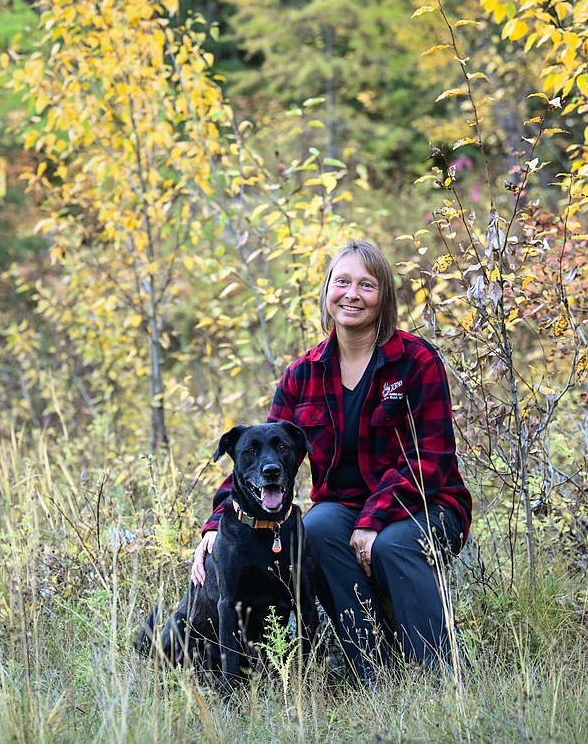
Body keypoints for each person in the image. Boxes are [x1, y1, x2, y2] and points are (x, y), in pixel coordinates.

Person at [191, 239, 472, 684]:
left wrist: (373, 519)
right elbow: (258, 453)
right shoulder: (302, 374)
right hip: (343, 513)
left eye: (366, 284)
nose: (352, 294)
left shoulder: (416, 361)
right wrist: (213, 526)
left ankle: (442, 675)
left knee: (392, 544)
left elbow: (431, 459)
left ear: (384, 298)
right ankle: (374, 672)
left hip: (428, 507)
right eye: (342, 282)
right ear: (327, 292)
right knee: (316, 529)